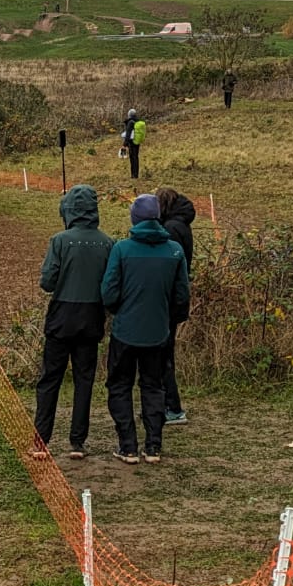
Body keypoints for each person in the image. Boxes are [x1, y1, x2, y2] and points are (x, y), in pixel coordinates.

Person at [100, 194, 189, 464]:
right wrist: (167, 318)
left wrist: (119, 311)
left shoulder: (122, 249)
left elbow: (108, 291)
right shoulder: (174, 251)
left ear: (134, 219)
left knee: (119, 385)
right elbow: (182, 295)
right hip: (158, 332)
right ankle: (153, 446)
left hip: (125, 331)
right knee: (153, 386)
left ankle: (127, 446)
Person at [32, 185, 115, 460]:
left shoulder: (59, 240)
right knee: (84, 380)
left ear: (68, 209)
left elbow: (47, 282)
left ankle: (41, 441)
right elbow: (111, 284)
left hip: (61, 317)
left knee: (50, 379)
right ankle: (77, 442)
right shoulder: (107, 243)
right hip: (92, 317)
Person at [155, 187, 196, 425]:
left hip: (168, 300)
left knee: (163, 355)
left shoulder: (170, 229)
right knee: (165, 353)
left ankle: (172, 406)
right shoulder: (181, 225)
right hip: (176, 299)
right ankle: (163, 404)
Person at [123, 109, 145, 179]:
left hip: (132, 142)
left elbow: (128, 134)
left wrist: (124, 144)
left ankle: (133, 175)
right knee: (136, 157)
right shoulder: (137, 121)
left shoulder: (130, 122)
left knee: (132, 158)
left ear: (129, 115)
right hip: (137, 141)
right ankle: (136, 174)